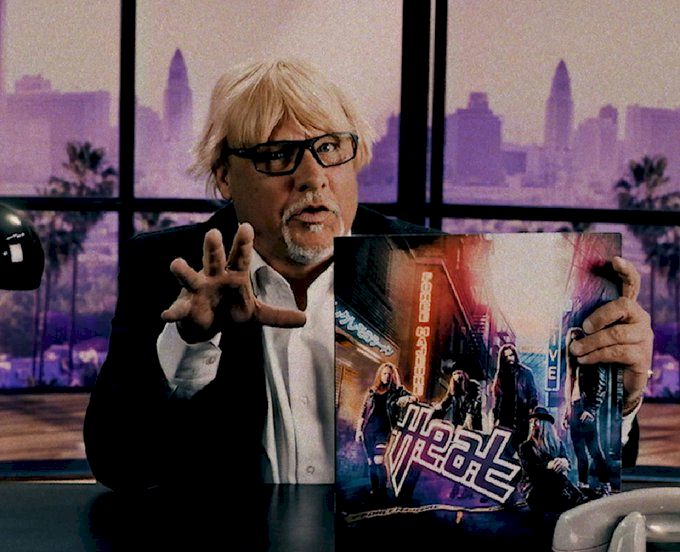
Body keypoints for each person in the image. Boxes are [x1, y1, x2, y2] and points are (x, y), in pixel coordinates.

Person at [83, 58, 653, 492]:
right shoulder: (170, 269)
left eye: (329, 148)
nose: (312, 178)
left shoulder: (423, 260)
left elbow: (581, 471)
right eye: (278, 155)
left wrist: (619, 401)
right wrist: (191, 342)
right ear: (225, 176)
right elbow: (118, 465)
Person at [518, 407, 602, 515]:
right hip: (536, 491)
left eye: (536, 420)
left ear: (545, 424)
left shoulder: (558, 444)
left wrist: (564, 462)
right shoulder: (526, 447)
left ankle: (581, 500)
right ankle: (580, 499)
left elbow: (568, 464)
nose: (533, 424)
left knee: (561, 478)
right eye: (531, 421)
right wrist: (549, 465)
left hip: (556, 489)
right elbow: (531, 470)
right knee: (557, 477)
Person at [355, 362, 415, 496]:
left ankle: (383, 488)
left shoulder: (397, 391)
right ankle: (374, 489)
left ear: (393, 376)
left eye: (389, 374)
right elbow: (363, 413)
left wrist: (407, 398)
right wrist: (359, 430)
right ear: (380, 375)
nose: (386, 376)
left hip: (384, 431)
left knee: (379, 460)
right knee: (371, 462)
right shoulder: (372, 392)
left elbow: (414, 398)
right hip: (369, 430)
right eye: (384, 373)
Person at [563, 327, 611, 492]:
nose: (575, 345)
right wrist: (567, 411)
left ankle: (605, 483)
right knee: (579, 451)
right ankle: (583, 484)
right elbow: (571, 389)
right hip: (575, 408)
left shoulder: (592, 361)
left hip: (586, 408)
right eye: (572, 342)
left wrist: (591, 409)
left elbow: (602, 386)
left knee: (594, 450)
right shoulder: (573, 364)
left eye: (577, 341)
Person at [491, 343, 539, 447]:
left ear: (515, 355)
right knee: (504, 448)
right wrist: (496, 418)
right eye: (506, 357)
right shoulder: (501, 375)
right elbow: (498, 400)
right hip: (504, 419)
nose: (509, 358)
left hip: (521, 418)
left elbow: (533, 395)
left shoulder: (526, 373)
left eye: (511, 355)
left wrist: (531, 412)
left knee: (520, 447)